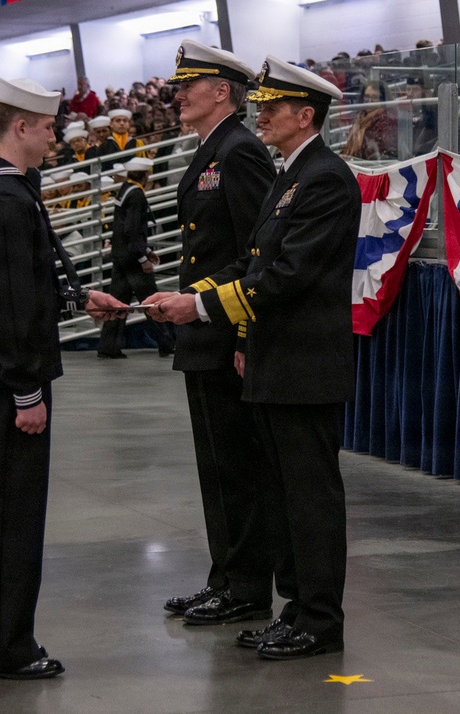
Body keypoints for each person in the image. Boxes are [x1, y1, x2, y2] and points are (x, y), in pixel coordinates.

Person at [145, 54, 361, 659]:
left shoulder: (324, 177)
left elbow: (287, 275)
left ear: (305, 113)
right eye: (260, 105)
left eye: (271, 108)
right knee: (289, 495)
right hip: (277, 358)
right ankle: (297, 608)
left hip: (303, 363)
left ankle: (318, 618)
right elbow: (253, 260)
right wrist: (192, 299)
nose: (261, 115)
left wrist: (207, 311)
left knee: (310, 498)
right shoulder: (294, 175)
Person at [0, 74, 126, 680]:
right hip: (5, 381)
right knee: (9, 517)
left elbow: (8, 285)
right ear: (20, 126)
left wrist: (74, 296)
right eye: (47, 128)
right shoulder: (9, 201)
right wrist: (27, 391)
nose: (53, 138)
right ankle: (2, 648)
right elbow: (9, 305)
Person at [152, 39, 277, 629]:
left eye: (188, 86)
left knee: (237, 466)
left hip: (224, 328)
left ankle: (247, 586)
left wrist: (235, 331)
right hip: (202, 328)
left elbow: (257, 252)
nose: (179, 96)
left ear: (221, 90)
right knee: (215, 466)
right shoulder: (211, 149)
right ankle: (224, 576)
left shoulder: (240, 152)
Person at [96, 157, 175, 359]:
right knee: (151, 301)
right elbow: (132, 229)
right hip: (132, 258)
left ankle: (108, 345)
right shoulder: (137, 194)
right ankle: (166, 343)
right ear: (146, 175)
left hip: (121, 255)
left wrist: (146, 250)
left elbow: (123, 229)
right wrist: (143, 258)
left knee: (117, 302)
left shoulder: (124, 191)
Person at [342, 80, 398, 160]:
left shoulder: (386, 120)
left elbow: (378, 152)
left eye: (374, 97)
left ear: (383, 101)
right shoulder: (359, 118)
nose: (369, 101)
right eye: (367, 96)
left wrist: (352, 159)